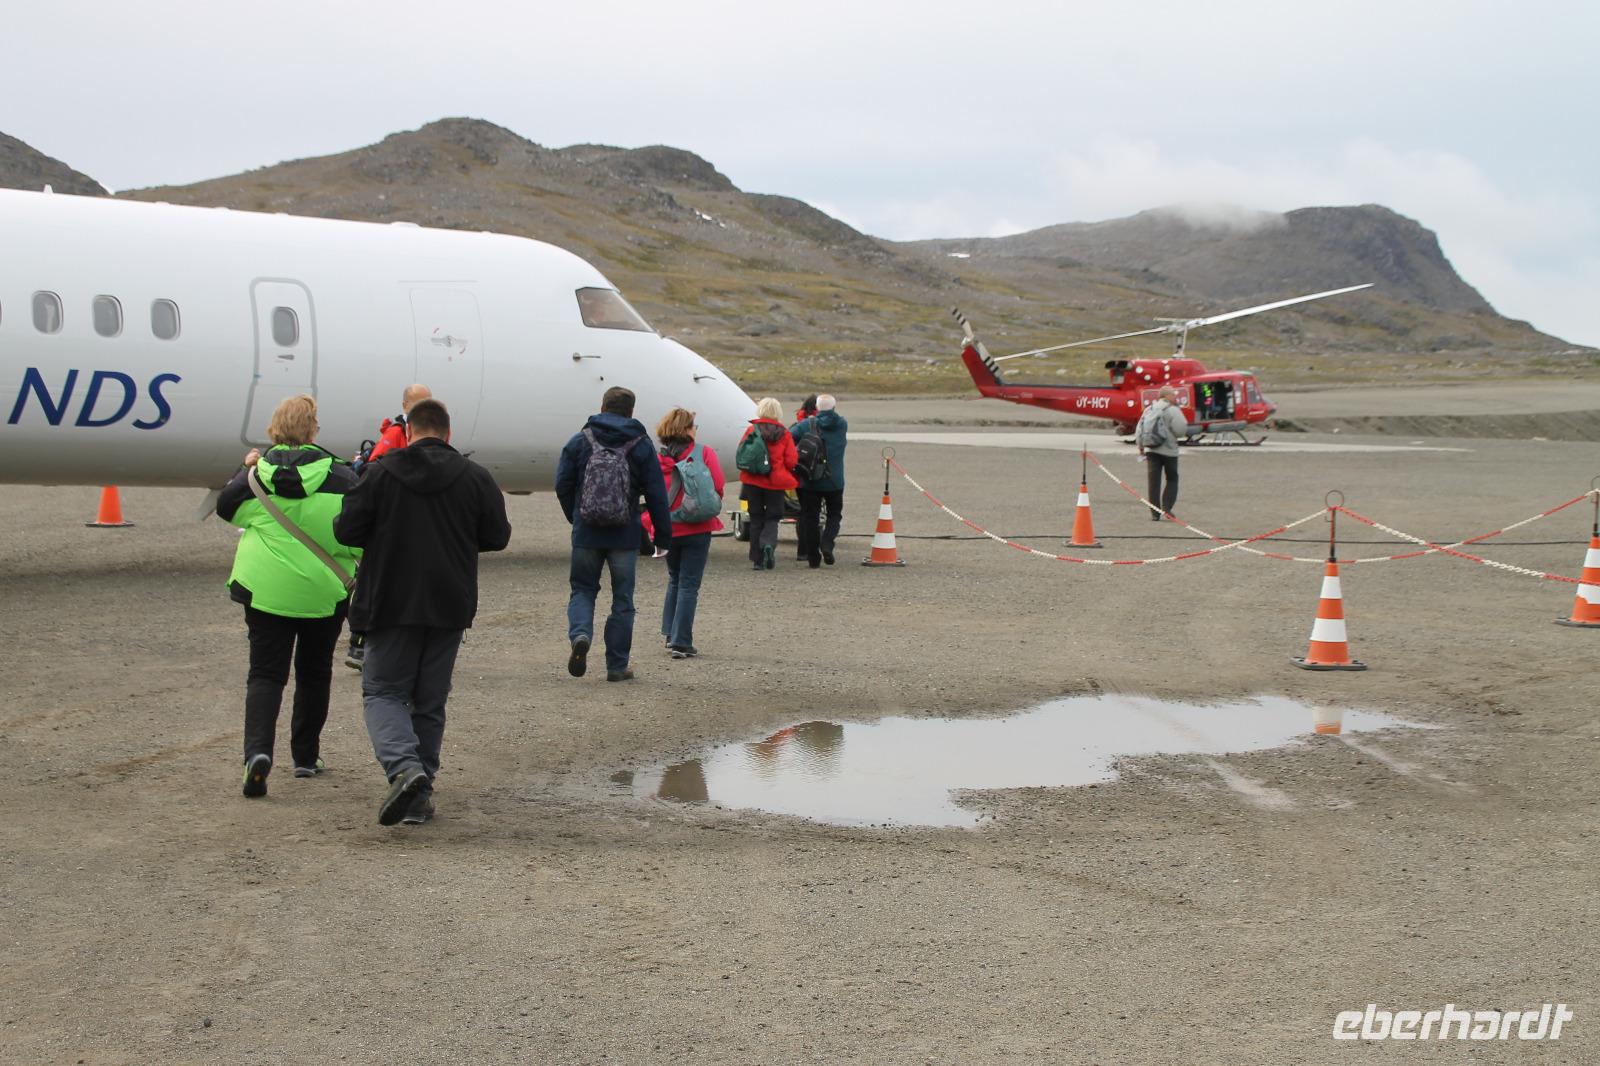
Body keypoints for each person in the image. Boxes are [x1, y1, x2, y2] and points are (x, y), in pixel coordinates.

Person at [333, 399, 511, 826]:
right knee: (429, 701)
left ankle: (403, 768)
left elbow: (346, 529)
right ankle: (418, 793)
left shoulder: (380, 473)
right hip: (449, 601)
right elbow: (497, 535)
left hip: (390, 600)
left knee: (383, 692)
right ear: (448, 433)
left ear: (408, 432)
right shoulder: (475, 477)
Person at [216, 395, 360, 798]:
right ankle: (305, 756)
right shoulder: (342, 479)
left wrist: (242, 469)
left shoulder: (254, 477)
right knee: (314, 672)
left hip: (265, 590)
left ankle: (257, 754)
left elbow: (226, 508)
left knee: (265, 674)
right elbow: (358, 534)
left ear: (274, 429)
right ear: (313, 429)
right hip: (323, 592)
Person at [555, 386, 672, 682]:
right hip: (624, 535)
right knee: (623, 600)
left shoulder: (581, 440)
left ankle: (581, 634)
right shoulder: (641, 445)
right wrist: (662, 538)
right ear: (631, 411)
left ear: (602, 406)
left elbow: (562, 484)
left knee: (583, 589)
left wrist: (576, 516)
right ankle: (617, 666)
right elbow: (657, 494)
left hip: (587, 533)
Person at [344, 383, 432, 670]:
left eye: (427, 401)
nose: (423, 407)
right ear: (405, 406)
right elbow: (373, 468)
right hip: (392, 519)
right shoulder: (396, 433)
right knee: (376, 583)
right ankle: (359, 644)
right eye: (418, 402)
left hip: (408, 519)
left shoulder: (424, 430)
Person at [654, 406, 725, 658]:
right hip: (698, 526)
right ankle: (681, 641)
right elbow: (718, 485)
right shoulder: (703, 452)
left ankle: (670, 633)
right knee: (688, 584)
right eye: (693, 426)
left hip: (668, 527)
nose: (696, 430)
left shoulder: (658, 458)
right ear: (686, 430)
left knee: (674, 579)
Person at [738, 396, 799, 571]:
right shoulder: (785, 433)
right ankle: (768, 544)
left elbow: (741, 452)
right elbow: (791, 460)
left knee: (756, 518)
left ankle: (757, 560)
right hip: (776, 482)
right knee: (773, 517)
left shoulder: (751, 430)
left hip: (753, 481)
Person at [790, 393, 848, 567]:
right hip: (835, 480)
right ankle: (827, 543)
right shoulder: (842, 424)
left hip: (811, 480)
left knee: (810, 518)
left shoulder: (806, 425)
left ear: (816, 407)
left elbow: (788, 437)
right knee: (834, 515)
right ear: (834, 407)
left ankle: (813, 558)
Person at [1136, 385, 1191, 521]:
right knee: (1172, 478)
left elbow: (1139, 429)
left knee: (1153, 482)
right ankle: (1167, 507)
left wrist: (1141, 447)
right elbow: (1181, 429)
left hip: (1151, 449)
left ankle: (1154, 513)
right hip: (1169, 451)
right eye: (1173, 394)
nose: (1175, 397)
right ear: (1167, 396)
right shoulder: (1173, 410)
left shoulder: (1149, 409)